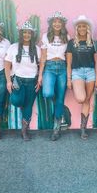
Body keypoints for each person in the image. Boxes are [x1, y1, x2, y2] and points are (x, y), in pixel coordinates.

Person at [5, 21, 40, 141]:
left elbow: (41, 65)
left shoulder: (36, 49)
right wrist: (8, 81)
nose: (26, 35)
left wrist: (40, 79)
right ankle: (21, 102)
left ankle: (24, 131)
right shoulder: (13, 47)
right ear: (21, 34)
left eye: (29, 33)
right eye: (24, 32)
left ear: (32, 34)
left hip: (32, 81)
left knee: (28, 105)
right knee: (17, 101)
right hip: (18, 80)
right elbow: (7, 64)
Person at [66, 15, 97, 139]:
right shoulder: (71, 43)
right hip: (77, 72)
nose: (81, 28)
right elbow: (68, 63)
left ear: (87, 27)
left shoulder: (94, 43)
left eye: (84, 26)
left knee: (87, 101)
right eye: (79, 26)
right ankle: (83, 127)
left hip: (91, 72)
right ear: (76, 28)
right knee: (81, 98)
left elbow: (96, 63)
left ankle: (83, 129)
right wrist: (69, 79)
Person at [38, 11, 68, 141]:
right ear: (51, 24)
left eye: (59, 21)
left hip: (62, 67)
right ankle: (58, 109)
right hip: (49, 67)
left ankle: (56, 128)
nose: (57, 24)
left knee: (61, 98)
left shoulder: (67, 36)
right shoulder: (45, 36)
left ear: (62, 24)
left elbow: (68, 55)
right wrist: (40, 75)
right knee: (47, 93)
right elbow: (43, 56)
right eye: (54, 21)